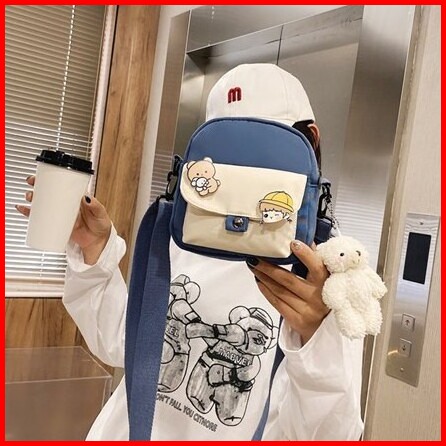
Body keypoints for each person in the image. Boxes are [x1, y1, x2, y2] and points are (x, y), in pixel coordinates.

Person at [16, 63, 364, 441]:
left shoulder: (331, 277)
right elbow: (126, 346)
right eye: (226, 151)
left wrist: (317, 340)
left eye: (264, 151)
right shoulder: (189, 232)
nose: (243, 173)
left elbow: (333, 434)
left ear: (310, 142)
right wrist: (94, 250)